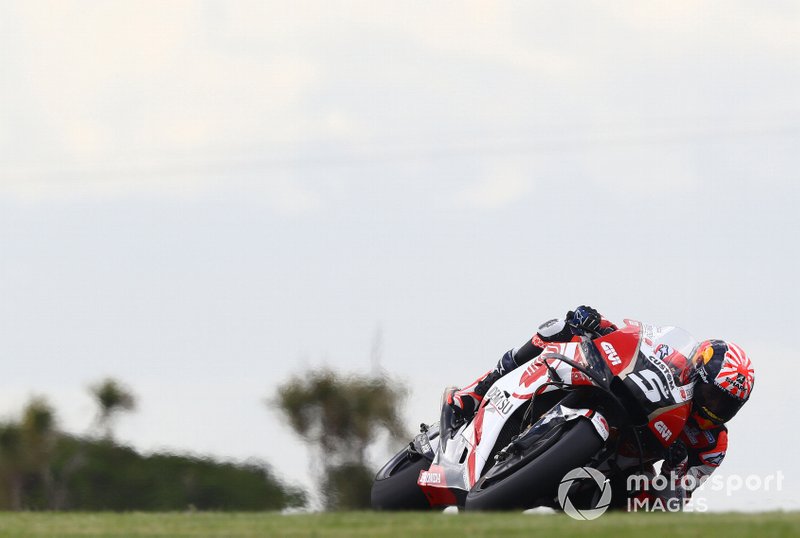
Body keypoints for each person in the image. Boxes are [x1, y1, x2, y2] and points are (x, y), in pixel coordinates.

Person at [448, 305, 755, 503]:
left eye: (725, 406)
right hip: (614, 395)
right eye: (711, 396)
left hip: (617, 469)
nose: (713, 408)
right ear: (695, 371)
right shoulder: (669, 355)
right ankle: (477, 389)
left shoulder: (712, 444)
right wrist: (597, 323)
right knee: (556, 331)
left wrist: (675, 470)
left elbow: (676, 497)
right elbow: (632, 340)